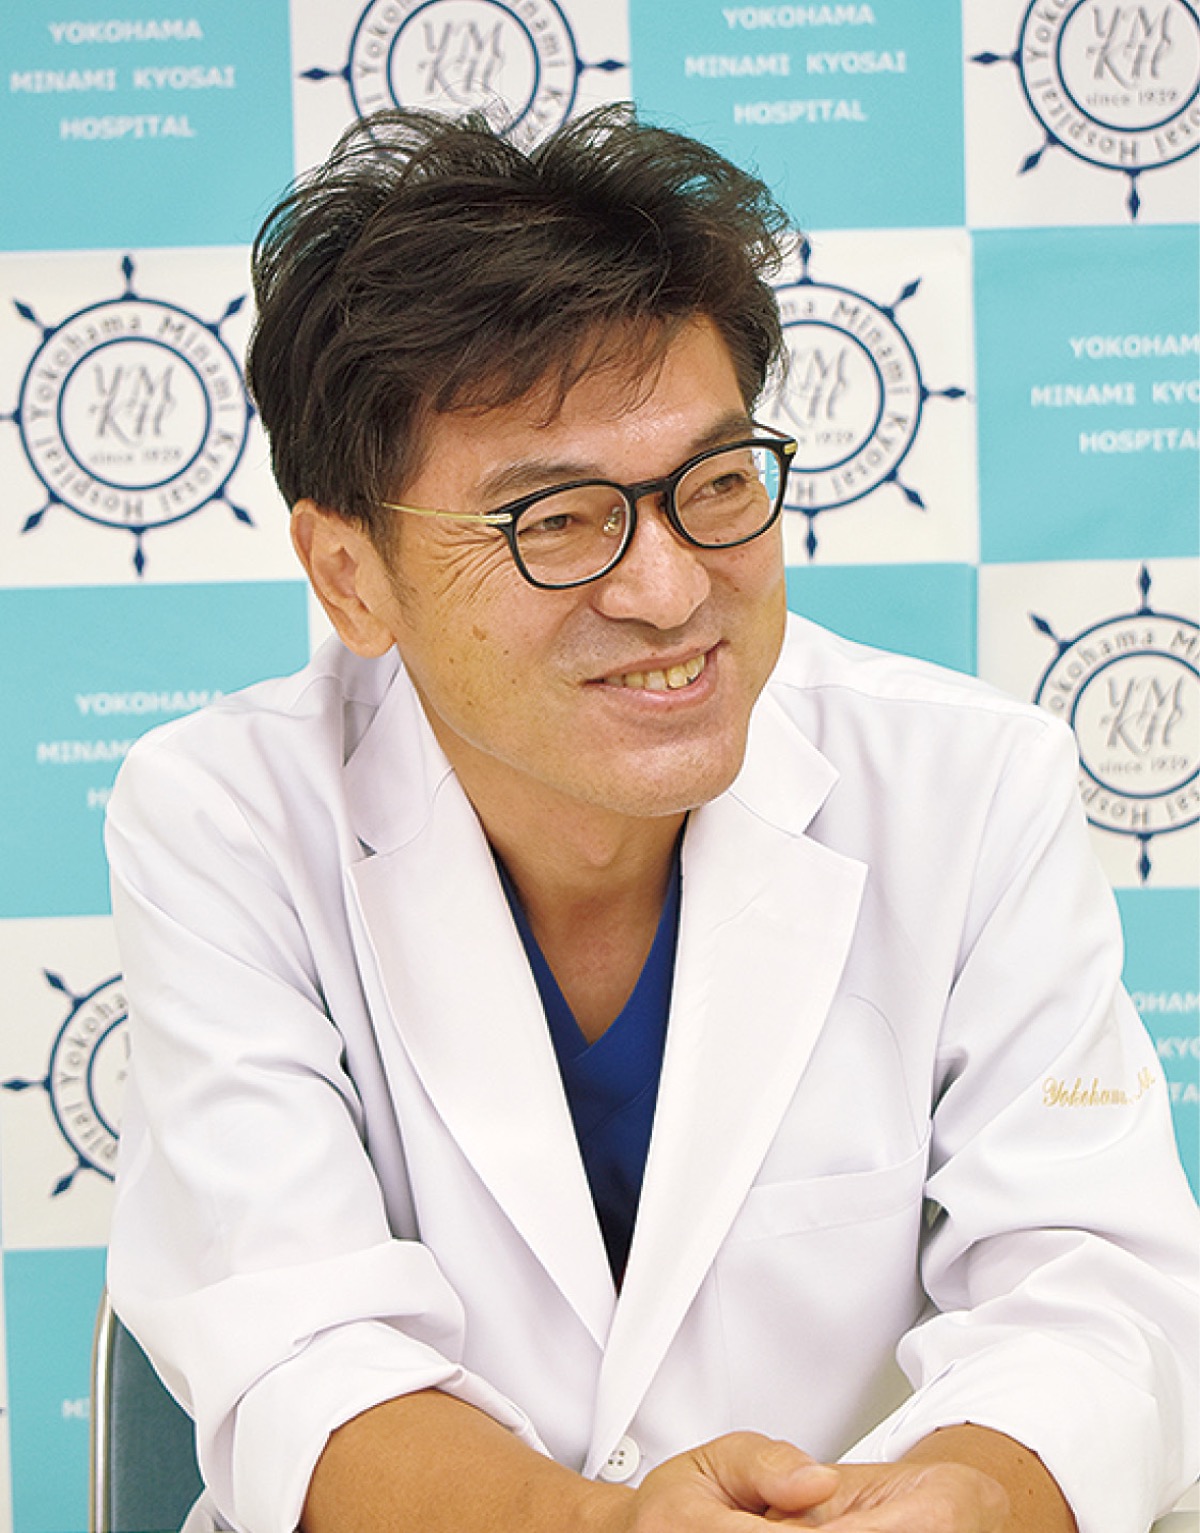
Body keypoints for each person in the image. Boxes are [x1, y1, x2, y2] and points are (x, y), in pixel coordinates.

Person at [104, 105, 1198, 1533]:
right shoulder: (225, 819)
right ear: (351, 575)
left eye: (716, 484)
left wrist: (978, 1501)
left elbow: (1099, 1289)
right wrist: (606, 1527)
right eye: (556, 520)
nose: (673, 590)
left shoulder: (972, 788)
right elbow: (300, 1357)